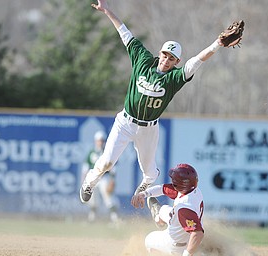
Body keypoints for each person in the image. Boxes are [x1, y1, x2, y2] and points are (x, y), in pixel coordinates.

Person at [80, 0, 226, 204]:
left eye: (171, 58)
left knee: (150, 173)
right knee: (106, 162)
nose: (167, 60)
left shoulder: (174, 78)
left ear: (177, 62)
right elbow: (124, 33)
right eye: (165, 55)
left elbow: (197, 61)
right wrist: (107, 11)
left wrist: (217, 44)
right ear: (160, 53)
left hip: (148, 129)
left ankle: (144, 187)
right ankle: (89, 183)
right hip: (125, 122)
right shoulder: (142, 59)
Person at [131, 164, 204, 256]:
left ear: (179, 185)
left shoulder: (184, 208)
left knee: (148, 240)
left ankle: (164, 251)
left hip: (176, 244)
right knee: (164, 209)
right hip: (182, 226)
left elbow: (198, 233)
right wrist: (144, 194)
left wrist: (187, 254)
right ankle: (158, 217)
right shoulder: (192, 190)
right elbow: (163, 188)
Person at [81, 131, 120, 223]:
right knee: (93, 200)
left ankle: (115, 219)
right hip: (94, 179)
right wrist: (84, 181)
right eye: (99, 140)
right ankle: (92, 219)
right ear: (95, 141)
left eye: (102, 140)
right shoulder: (92, 152)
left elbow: (113, 168)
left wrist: (112, 180)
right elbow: (85, 168)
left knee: (109, 199)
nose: (100, 142)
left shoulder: (107, 152)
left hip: (104, 178)